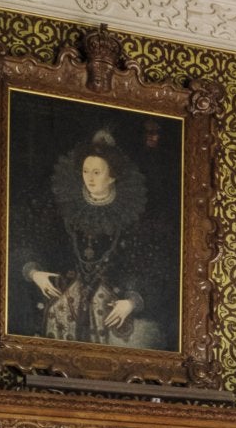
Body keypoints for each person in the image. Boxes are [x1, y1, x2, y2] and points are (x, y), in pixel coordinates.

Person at [18, 128, 165, 351]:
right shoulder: (63, 207)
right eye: (86, 171)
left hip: (114, 297)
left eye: (97, 172)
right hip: (65, 294)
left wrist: (132, 301)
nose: (90, 178)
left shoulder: (133, 216)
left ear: (113, 175)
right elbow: (34, 239)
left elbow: (148, 263)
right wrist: (34, 272)